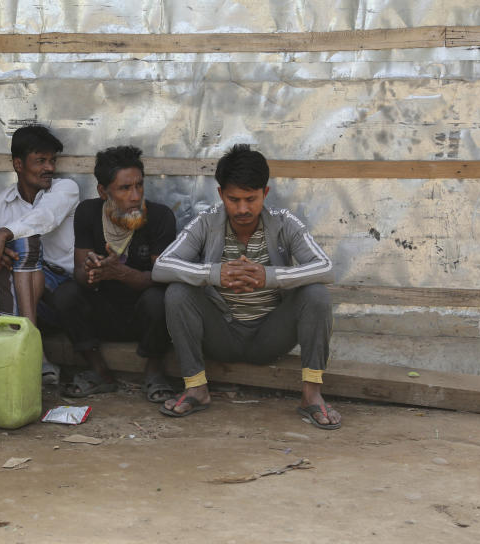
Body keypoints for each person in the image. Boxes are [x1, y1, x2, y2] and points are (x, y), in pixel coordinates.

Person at [151, 144, 341, 429]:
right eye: (233, 199)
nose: (242, 209)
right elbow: (161, 267)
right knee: (178, 293)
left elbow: (326, 268)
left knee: (316, 294)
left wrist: (270, 277)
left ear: (265, 193)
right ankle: (196, 389)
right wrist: (214, 274)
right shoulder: (206, 222)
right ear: (220, 195)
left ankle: (311, 395)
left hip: (270, 336)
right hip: (220, 334)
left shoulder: (283, 222)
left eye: (251, 199)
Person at [52, 146, 177, 402]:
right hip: (104, 314)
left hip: (144, 317)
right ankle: (99, 372)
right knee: (65, 294)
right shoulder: (88, 213)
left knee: (163, 298)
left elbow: (162, 277)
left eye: (139, 186)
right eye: (124, 188)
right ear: (103, 191)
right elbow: (79, 271)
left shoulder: (161, 217)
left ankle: (154, 371)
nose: (135, 196)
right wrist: (91, 272)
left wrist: (121, 273)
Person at [0, 125, 79, 384]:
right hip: (17, 295)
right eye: (41, 161)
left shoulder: (65, 189)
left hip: (66, 297)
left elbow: (43, 218)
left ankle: (31, 353)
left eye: (52, 161)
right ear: (18, 165)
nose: (50, 168)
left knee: (23, 245)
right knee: (2, 260)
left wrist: (3, 235)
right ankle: (23, 355)